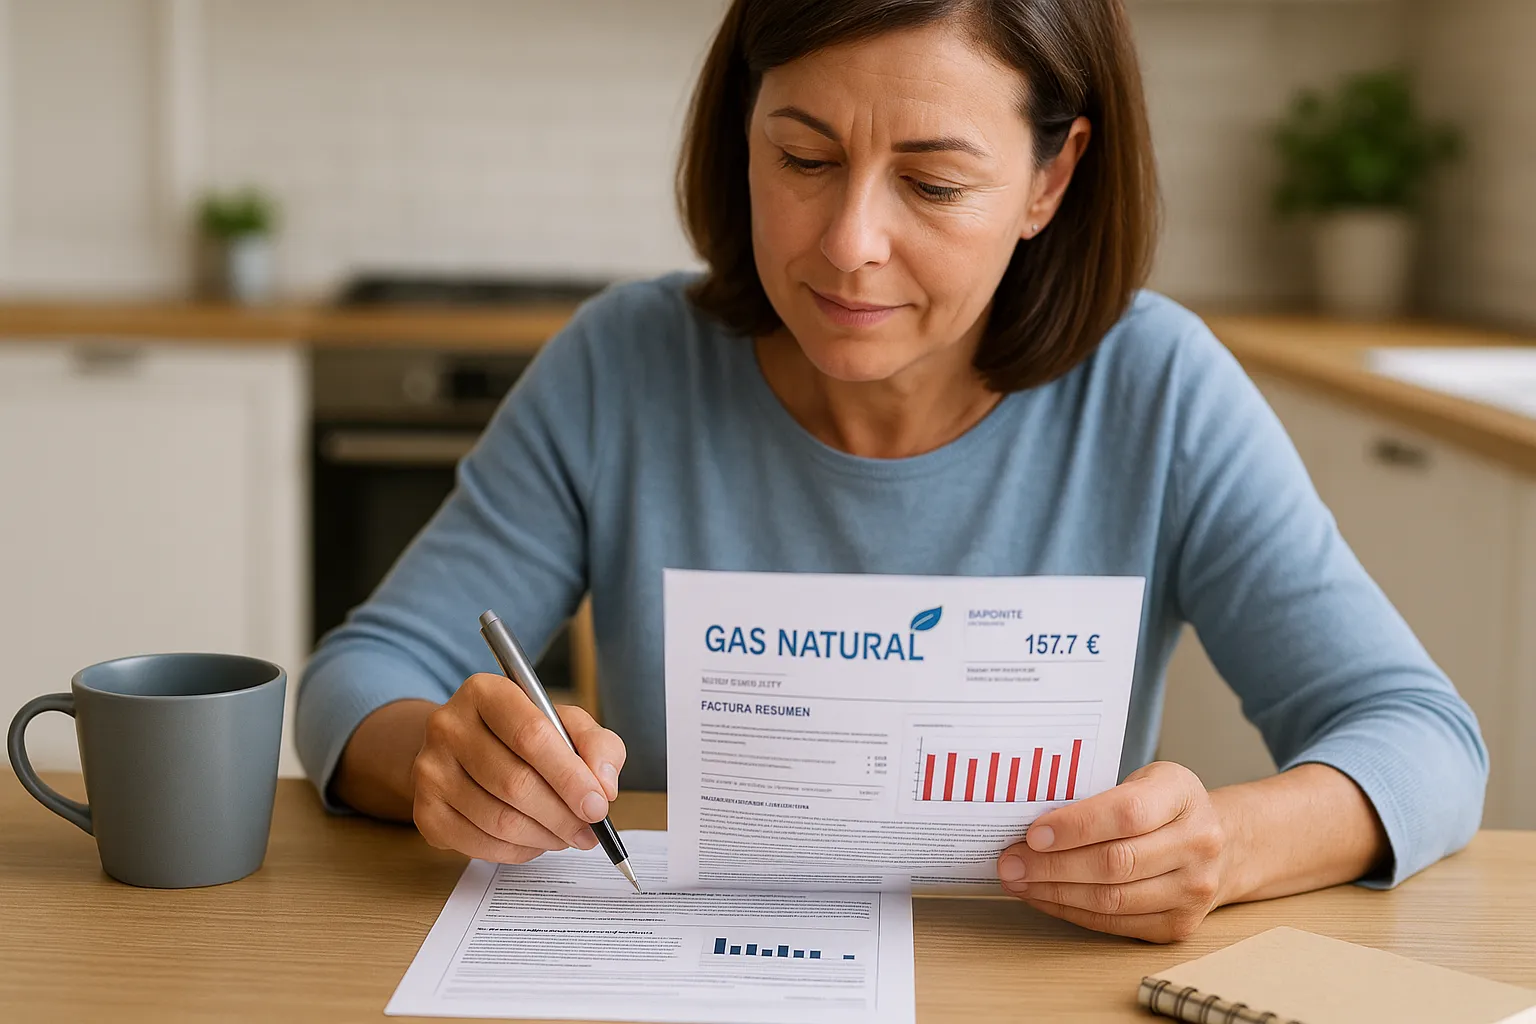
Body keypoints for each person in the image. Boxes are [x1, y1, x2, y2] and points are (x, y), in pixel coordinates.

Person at [296, 0, 1487, 943]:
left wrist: (1224, 844)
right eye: (802, 156)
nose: (848, 243)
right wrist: (443, 759)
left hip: (1032, 978)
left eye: (932, 184)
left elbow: (1422, 737)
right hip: (697, 970)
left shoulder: (1158, 388)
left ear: (1051, 179)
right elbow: (360, 674)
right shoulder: (624, 365)